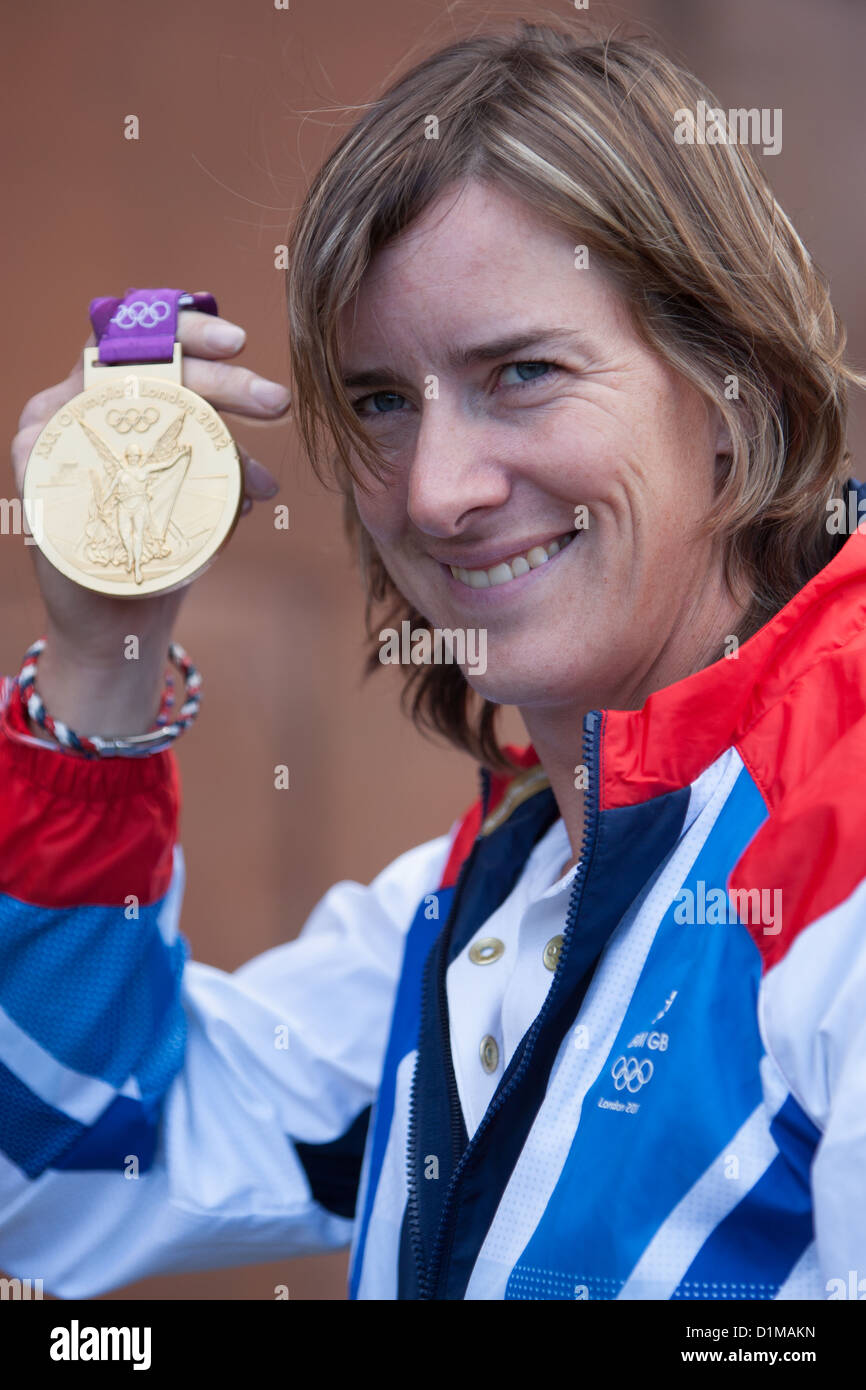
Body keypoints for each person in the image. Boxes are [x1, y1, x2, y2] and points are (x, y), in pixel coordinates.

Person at [2, 22, 865, 1301]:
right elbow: (62, 1191)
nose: (436, 491)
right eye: (381, 402)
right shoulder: (491, 894)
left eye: (519, 372)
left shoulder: (832, 851)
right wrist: (101, 655)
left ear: (730, 391)